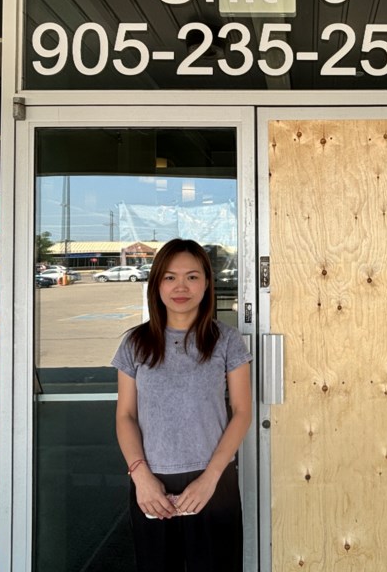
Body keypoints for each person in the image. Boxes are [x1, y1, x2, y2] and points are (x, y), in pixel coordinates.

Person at [113, 238, 252, 571]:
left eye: (192, 277)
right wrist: (141, 477)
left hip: (213, 483)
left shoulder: (227, 340)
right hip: (151, 485)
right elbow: (125, 415)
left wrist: (211, 478)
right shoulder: (135, 342)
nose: (181, 287)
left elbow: (243, 412)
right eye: (170, 277)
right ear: (157, 283)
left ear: (206, 283)